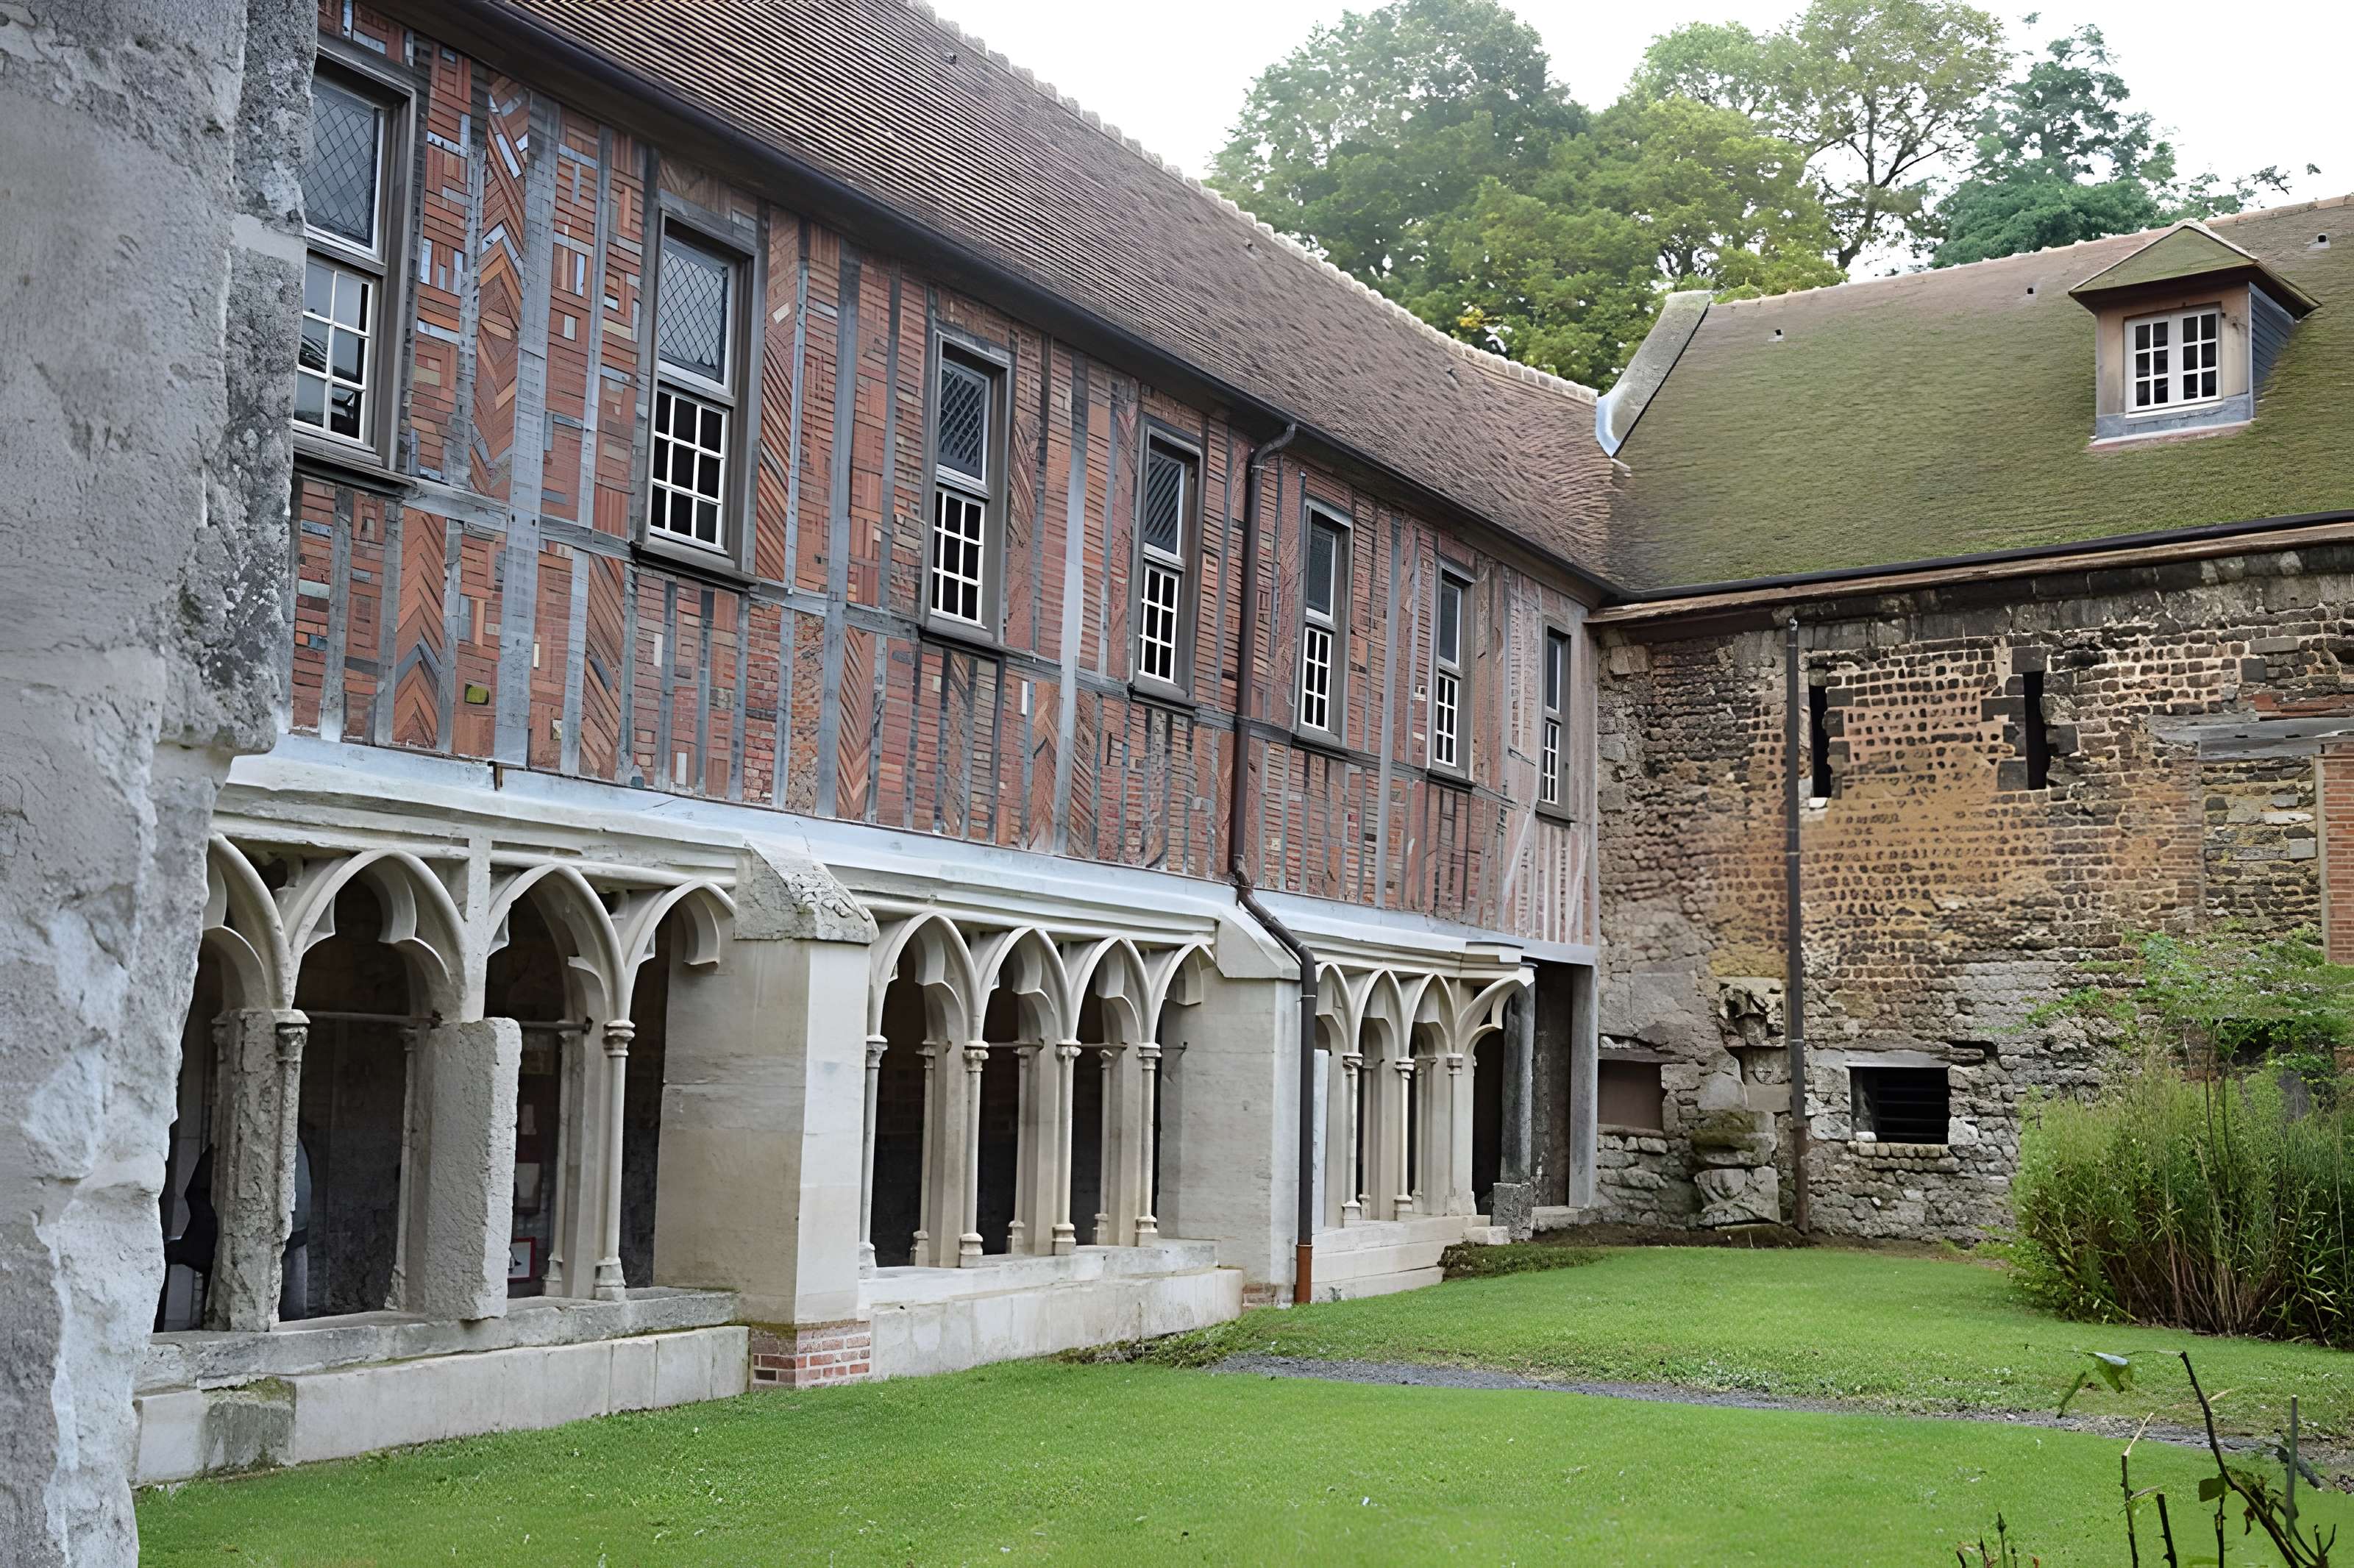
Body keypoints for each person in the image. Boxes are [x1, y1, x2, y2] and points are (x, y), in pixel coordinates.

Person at [154, 1139, 314, 1327]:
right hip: (240, 1241)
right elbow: (196, 1192)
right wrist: (216, 1229)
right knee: (232, 1316)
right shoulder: (230, 1146)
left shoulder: (294, 1144)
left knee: (292, 1317)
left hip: (292, 1241)